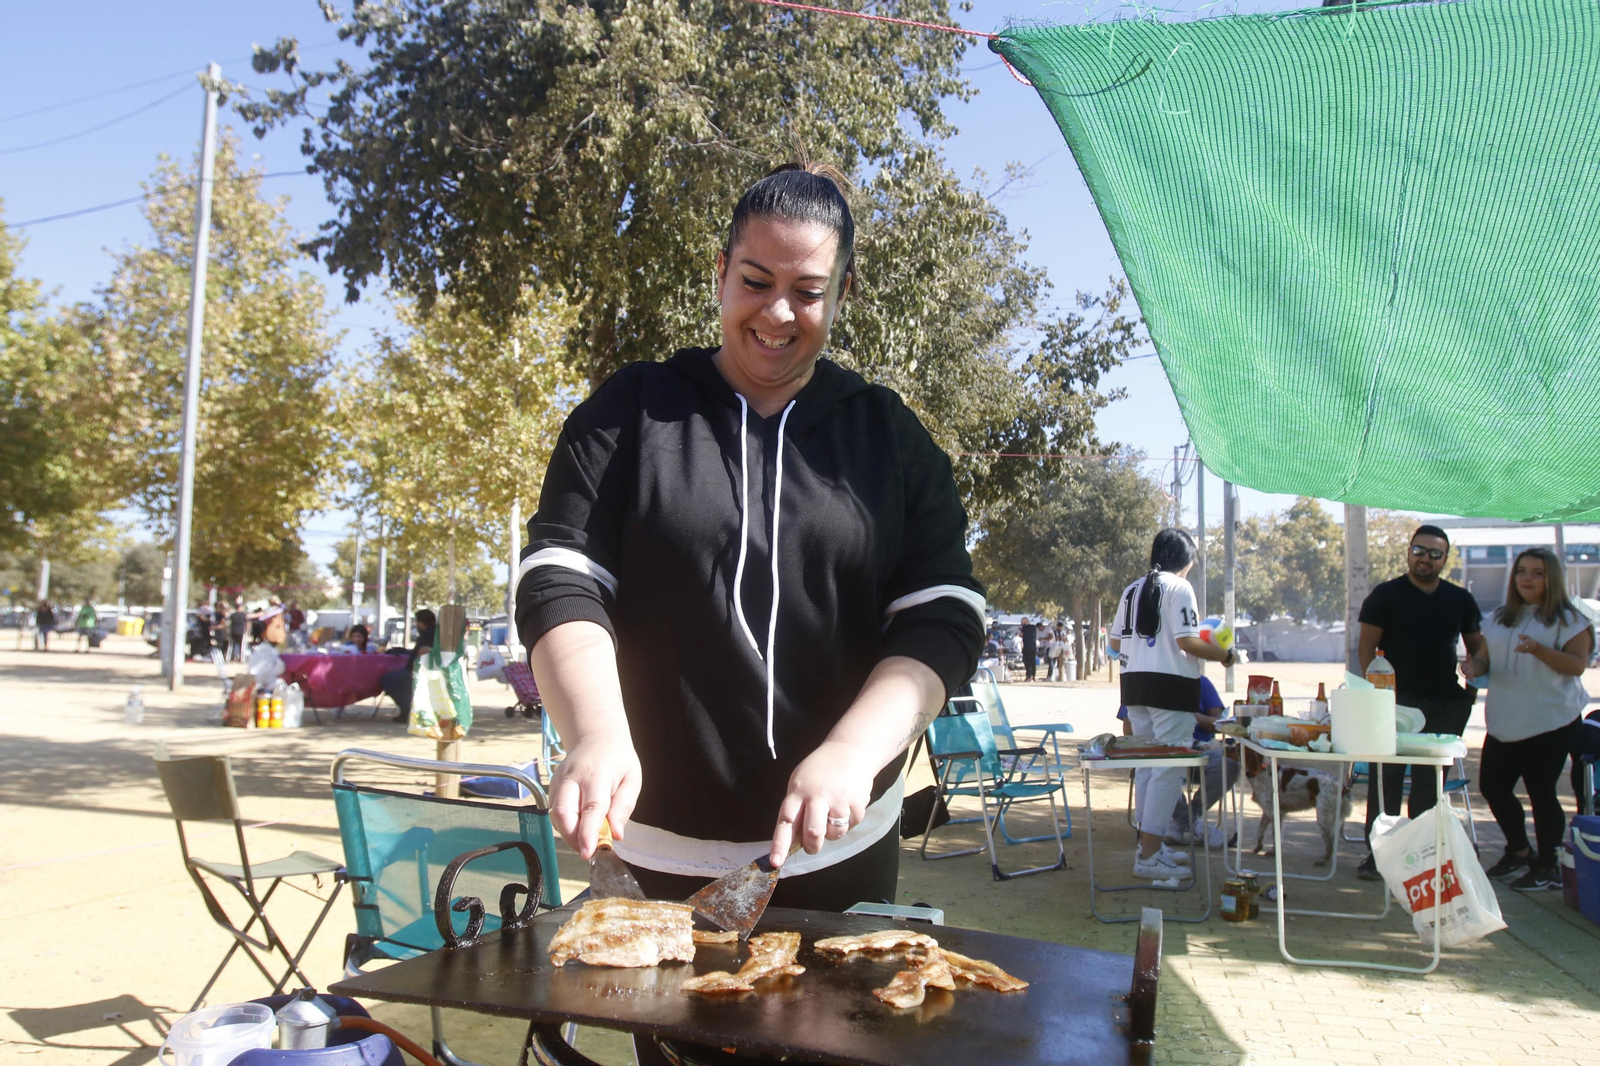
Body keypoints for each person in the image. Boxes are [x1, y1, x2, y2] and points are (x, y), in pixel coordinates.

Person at [515, 162, 984, 933]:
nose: (778, 312)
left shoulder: (890, 437)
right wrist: (594, 734)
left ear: (844, 294)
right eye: (756, 280)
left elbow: (944, 615)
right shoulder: (629, 413)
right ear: (720, 273)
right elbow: (560, 581)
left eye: (807, 291)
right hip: (651, 850)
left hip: (839, 846)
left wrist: (851, 755)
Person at [1355, 524, 1486, 879]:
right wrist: (1375, 696)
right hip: (1394, 703)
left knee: (1430, 785)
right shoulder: (1386, 594)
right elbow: (1366, 648)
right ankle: (1379, 855)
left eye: (1434, 553)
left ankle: (1421, 856)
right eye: (1419, 551)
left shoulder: (1460, 600)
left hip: (1445, 704)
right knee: (1387, 781)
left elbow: (1480, 651)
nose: (1425, 559)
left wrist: (1472, 682)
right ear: (1409, 552)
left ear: (1445, 558)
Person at [1108, 529, 1237, 880]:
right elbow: (1188, 642)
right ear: (1187, 561)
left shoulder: (1132, 589)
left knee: (1150, 767)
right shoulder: (1180, 588)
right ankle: (1148, 857)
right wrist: (1226, 655)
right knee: (1168, 770)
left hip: (1133, 685)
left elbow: (1115, 642)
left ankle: (1150, 847)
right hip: (1171, 688)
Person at [1463, 548, 1594, 890]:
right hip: (1505, 722)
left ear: (1551, 577)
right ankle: (1519, 851)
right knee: (1493, 787)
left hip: (1551, 721)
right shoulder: (1501, 618)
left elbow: (1577, 665)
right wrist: (1471, 667)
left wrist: (1539, 650)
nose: (1528, 578)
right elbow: (1484, 663)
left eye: (1537, 572)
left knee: (1541, 792)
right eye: (1522, 571)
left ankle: (1548, 865)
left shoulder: (1570, 620)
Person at [1116, 674, 1238, 849]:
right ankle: (1193, 822)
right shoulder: (1141, 681)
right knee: (1159, 768)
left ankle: (1184, 821)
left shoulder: (1200, 682)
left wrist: (1190, 716)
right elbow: (1129, 729)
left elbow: (1220, 722)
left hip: (1200, 750)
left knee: (1230, 763)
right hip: (1164, 751)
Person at [382, 609, 436, 725]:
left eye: (417, 622)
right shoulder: (435, 633)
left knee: (388, 679)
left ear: (421, 623)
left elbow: (424, 651)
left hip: (419, 672)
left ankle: (408, 711)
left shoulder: (427, 635)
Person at [246, 607, 289, 691]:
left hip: (255, 681)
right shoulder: (269, 652)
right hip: (261, 684)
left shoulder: (259, 650)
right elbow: (279, 669)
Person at [228, 596, 248, 662]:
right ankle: (242, 659)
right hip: (241, 631)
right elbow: (246, 623)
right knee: (242, 646)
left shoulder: (233, 615)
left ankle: (228, 658)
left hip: (233, 631)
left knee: (231, 645)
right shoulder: (244, 614)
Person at [1020, 616, 1039, 682]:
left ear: (1024, 622)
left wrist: (1021, 630)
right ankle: (1033, 676)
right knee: (1033, 662)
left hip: (1027, 647)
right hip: (1033, 647)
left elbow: (1021, 635)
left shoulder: (1024, 627)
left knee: (1027, 662)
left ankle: (1029, 676)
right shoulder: (1034, 627)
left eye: (1022, 622)